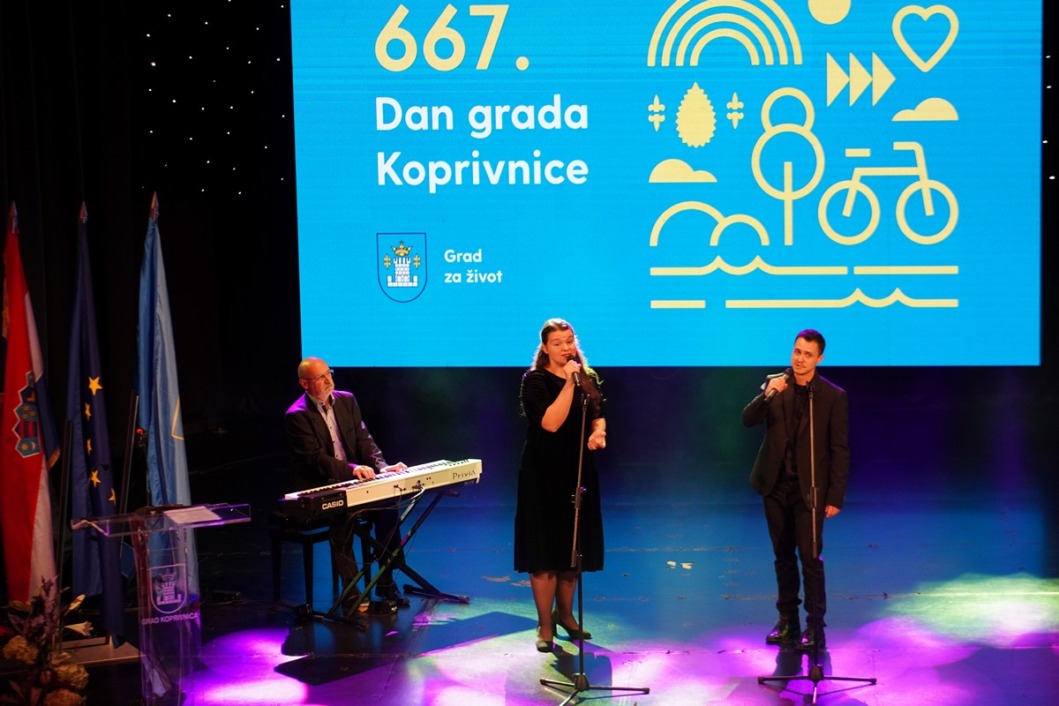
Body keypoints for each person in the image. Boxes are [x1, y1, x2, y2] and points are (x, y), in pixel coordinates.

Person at [741, 329, 849, 651]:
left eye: (807, 354)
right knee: (783, 556)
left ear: (819, 359)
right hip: (775, 486)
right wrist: (766, 395)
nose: (800, 359)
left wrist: (835, 495)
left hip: (809, 490)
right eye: (797, 351)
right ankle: (788, 621)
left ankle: (815, 627)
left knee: (810, 558)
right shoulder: (776, 383)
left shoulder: (831, 396)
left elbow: (839, 449)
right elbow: (748, 420)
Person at [284, 357, 410, 610]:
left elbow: (364, 440)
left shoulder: (346, 400)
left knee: (388, 505)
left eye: (328, 373)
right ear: (304, 384)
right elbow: (315, 459)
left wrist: (382, 466)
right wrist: (353, 469)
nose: (328, 380)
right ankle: (352, 593)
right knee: (342, 515)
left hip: (353, 480)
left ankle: (386, 582)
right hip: (322, 485)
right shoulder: (297, 415)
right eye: (320, 377)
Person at [515, 319, 607, 653]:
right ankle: (544, 624)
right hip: (543, 473)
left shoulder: (587, 376)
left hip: (578, 470)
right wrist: (569, 383)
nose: (566, 348)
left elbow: (598, 413)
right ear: (545, 348)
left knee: (572, 548)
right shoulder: (535, 380)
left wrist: (599, 432)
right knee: (544, 553)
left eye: (569, 341)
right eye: (558, 343)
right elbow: (551, 423)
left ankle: (565, 615)